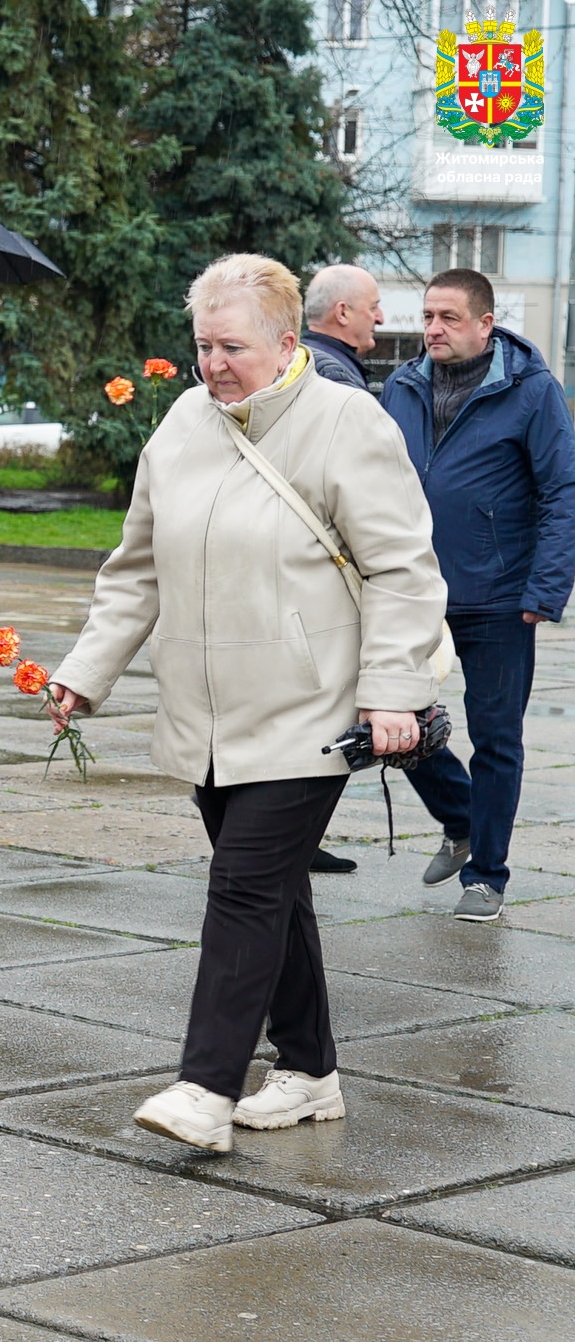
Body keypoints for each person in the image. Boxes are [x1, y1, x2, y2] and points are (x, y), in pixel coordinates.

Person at [49, 254, 446, 1152]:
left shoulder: (347, 423)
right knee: (273, 891)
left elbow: (403, 569)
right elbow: (137, 567)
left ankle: (206, 1085)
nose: (214, 364)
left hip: (313, 708)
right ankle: (310, 1069)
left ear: (287, 341)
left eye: (233, 345)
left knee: (241, 887)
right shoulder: (184, 423)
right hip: (209, 711)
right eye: (203, 345)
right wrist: (85, 669)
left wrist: (393, 691)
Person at [380, 268, 575, 922]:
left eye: (449, 317)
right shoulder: (401, 386)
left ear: (486, 324)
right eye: (428, 316)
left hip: (499, 594)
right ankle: (461, 817)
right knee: (395, 724)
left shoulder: (531, 390)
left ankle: (487, 874)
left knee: (496, 738)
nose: (433, 328)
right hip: (411, 590)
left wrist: (546, 587)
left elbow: (562, 492)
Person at [297, 262, 389, 877]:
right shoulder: (332, 376)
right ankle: (462, 817)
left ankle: (297, 836)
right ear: (343, 314)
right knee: (387, 714)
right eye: (373, 305)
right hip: (330, 574)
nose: (381, 317)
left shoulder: (319, 364)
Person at [300, 264, 384, 393]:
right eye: (373, 308)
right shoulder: (335, 377)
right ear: (342, 313)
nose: (380, 319)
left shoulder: (296, 362)